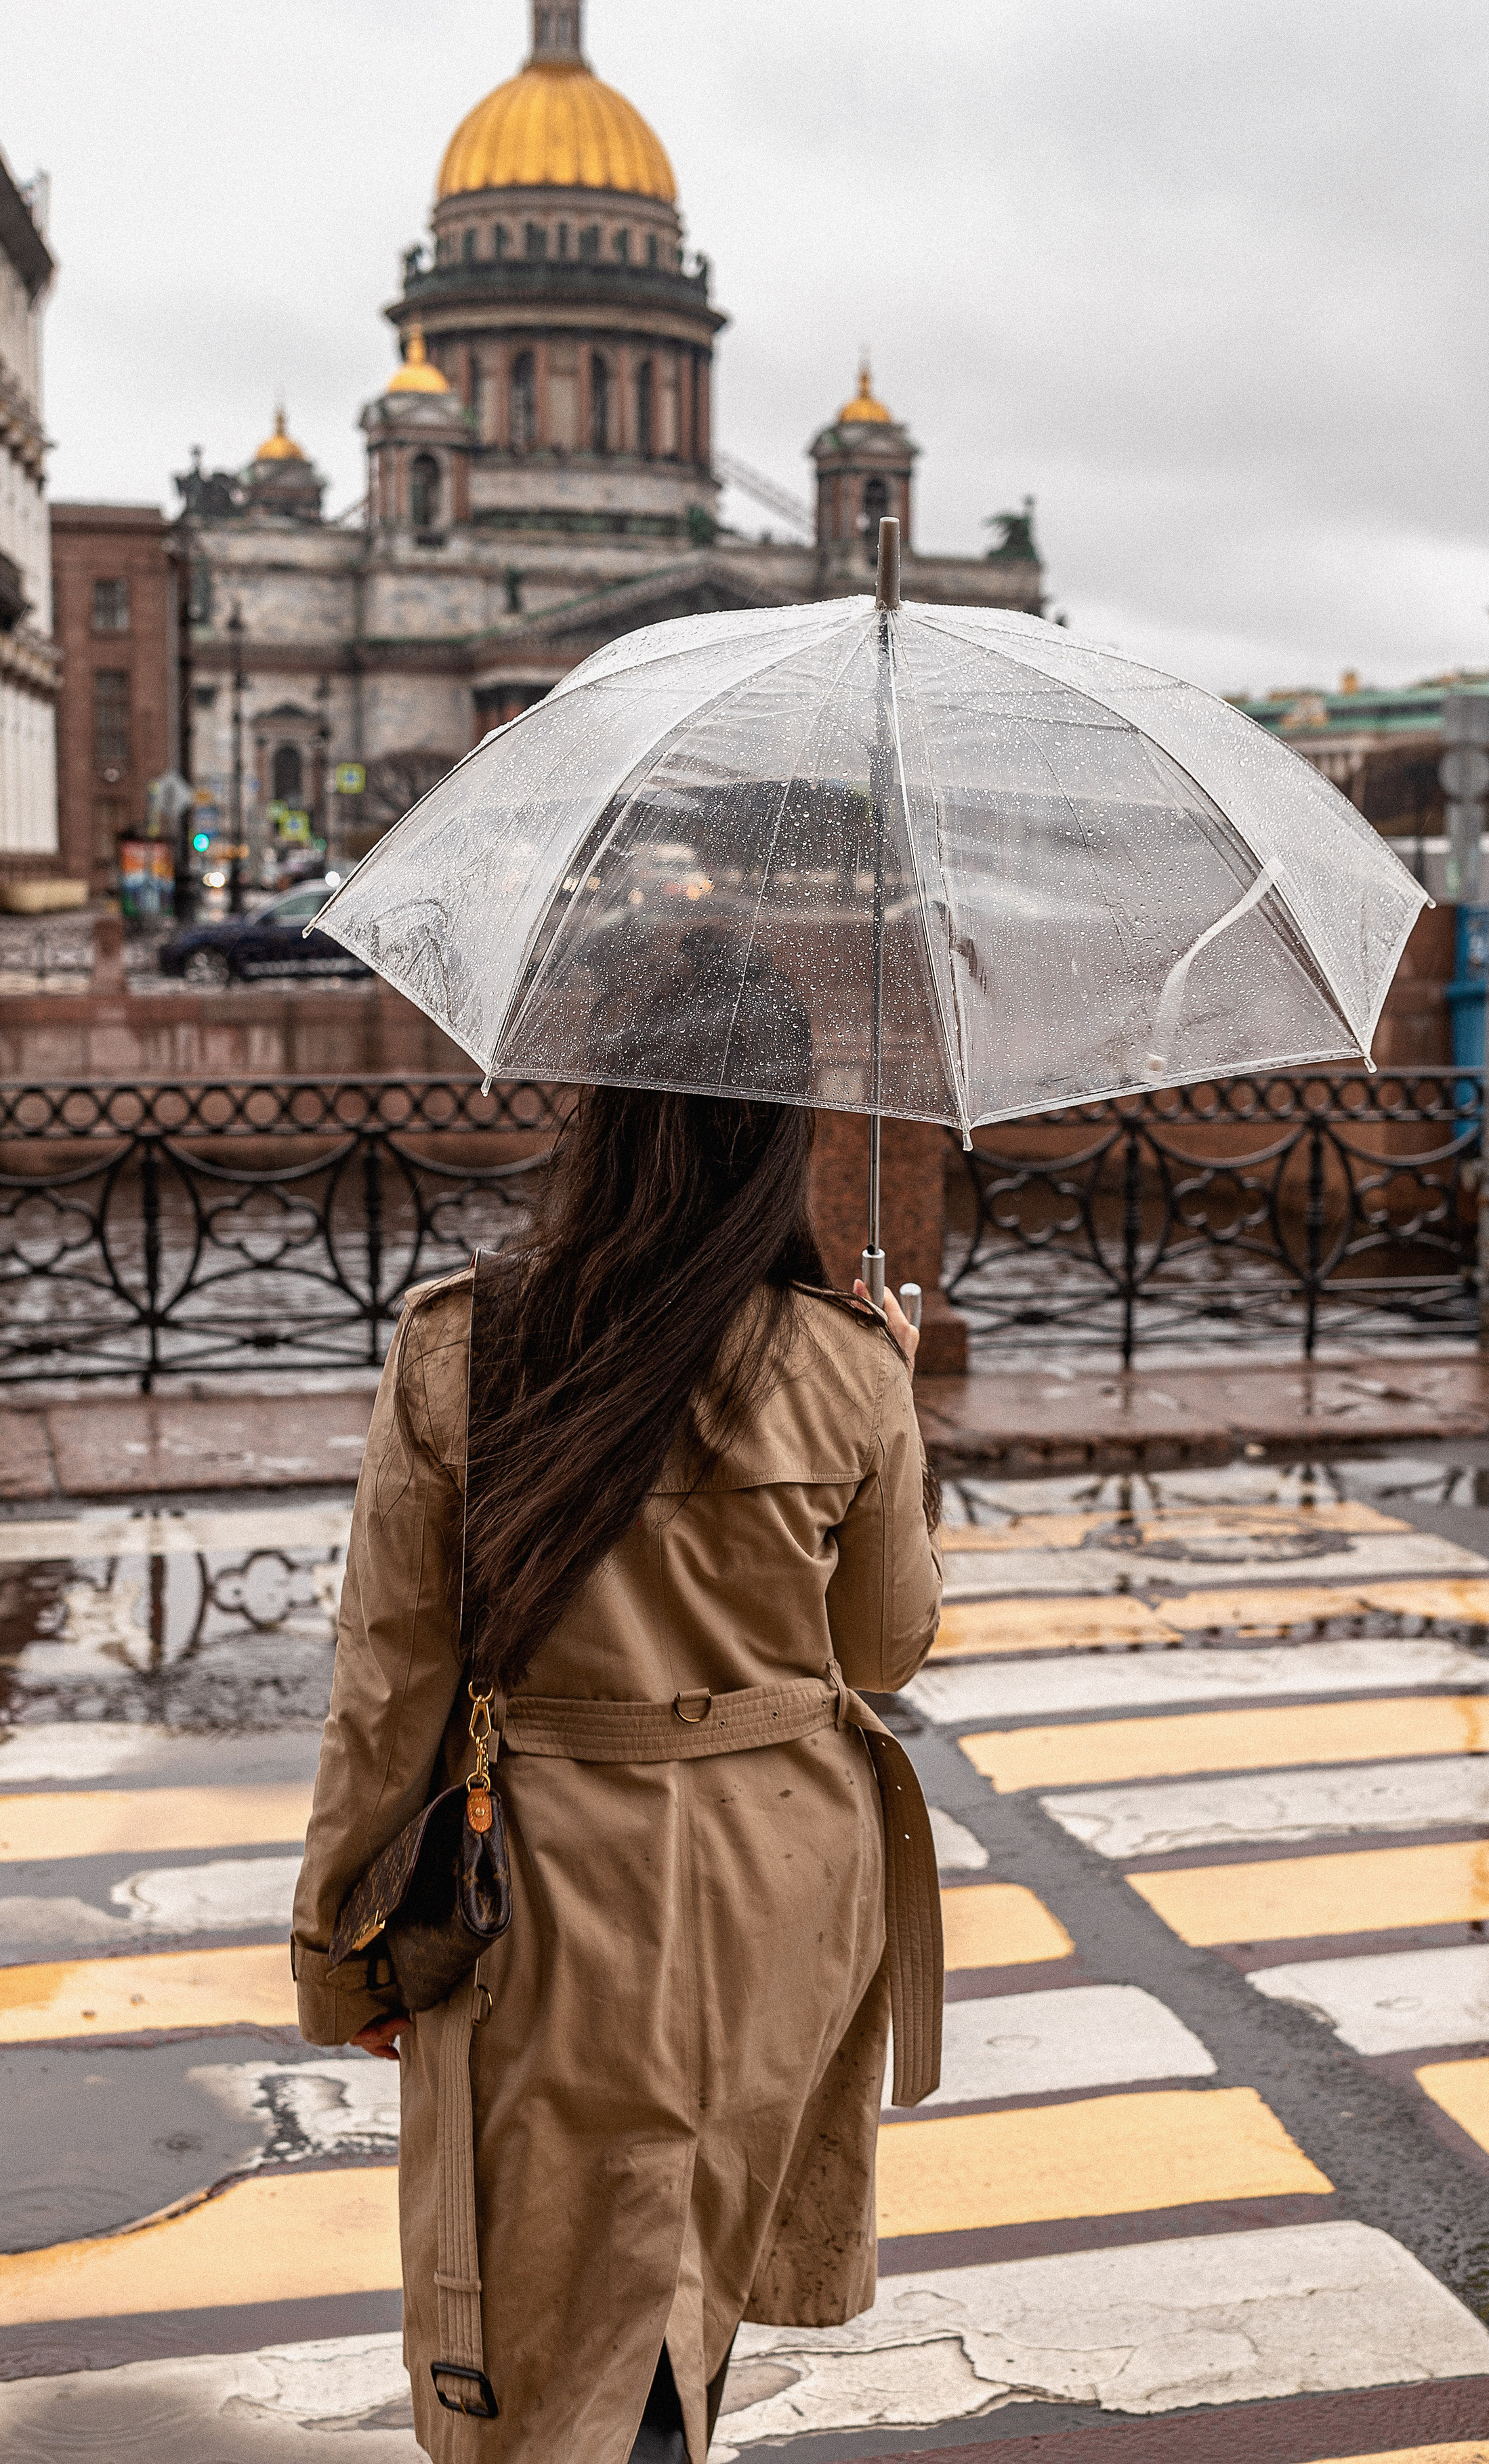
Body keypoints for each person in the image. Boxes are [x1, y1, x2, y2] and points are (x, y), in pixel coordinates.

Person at [290, 1053, 943, 2463]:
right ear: (778, 1147)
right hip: (786, 1883)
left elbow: (387, 1682)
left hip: (543, 1882)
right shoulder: (843, 1365)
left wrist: (343, 1952)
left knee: (546, 2304)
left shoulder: (465, 1345)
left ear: (601, 1123)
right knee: (677, 2260)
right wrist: (888, 1388)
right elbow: (883, 1647)